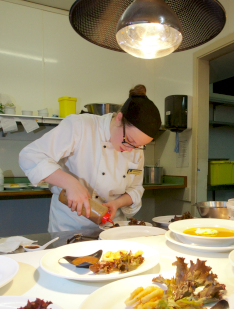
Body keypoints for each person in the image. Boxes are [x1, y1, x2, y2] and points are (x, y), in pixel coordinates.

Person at [19, 85, 162, 232]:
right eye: (129, 141)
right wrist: (71, 184)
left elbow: (135, 188)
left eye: (138, 146)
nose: (130, 149)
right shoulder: (81, 126)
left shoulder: (134, 146)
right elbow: (30, 156)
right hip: (71, 226)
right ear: (119, 118)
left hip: (113, 226)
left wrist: (117, 203)